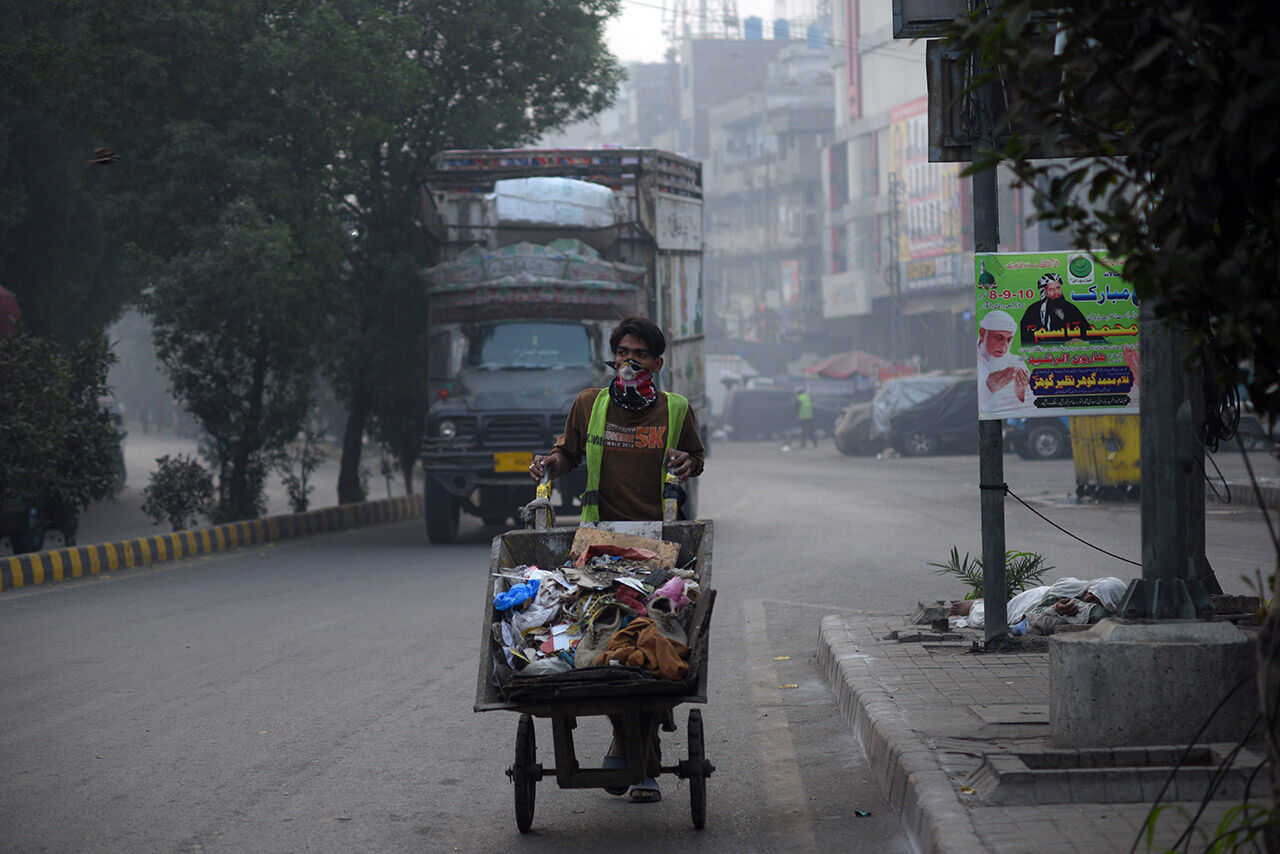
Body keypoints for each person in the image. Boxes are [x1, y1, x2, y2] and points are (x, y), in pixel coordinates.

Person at [528, 316, 705, 803]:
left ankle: (630, 746)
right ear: (614, 358)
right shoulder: (591, 404)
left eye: (640, 354)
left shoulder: (676, 409)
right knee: (606, 640)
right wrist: (549, 463)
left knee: (648, 640)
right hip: (598, 545)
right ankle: (630, 742)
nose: (630, 361)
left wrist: (689, 464)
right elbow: (567, 455)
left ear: (657, 363)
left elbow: (695, 457)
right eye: (623, 352)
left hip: (657, 547)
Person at [977, 310, 1033, 415]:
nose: (1004, 347)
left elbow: (1032, 408)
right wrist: (988, 389)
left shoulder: (1016, 363)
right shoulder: (971, 360)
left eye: (1009, 340)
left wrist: (1020, 394)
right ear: (982, 333)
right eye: (998, 338)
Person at [1019, 272, 1094, 347]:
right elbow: (1026, 340)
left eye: (1058, 288)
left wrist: (1082, 341)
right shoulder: (1033, 310)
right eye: (1051, 289)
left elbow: (1090, 333)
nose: (1056, 293)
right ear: (1044, 292)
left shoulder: (1071, 308)